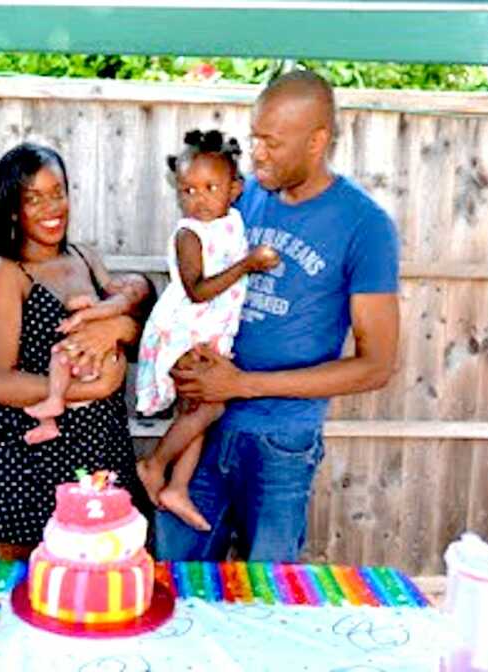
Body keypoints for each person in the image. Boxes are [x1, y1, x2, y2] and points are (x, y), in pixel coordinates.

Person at [155, 70, 401, 562]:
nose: (257, 153)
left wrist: (242, 385)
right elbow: (186, 283)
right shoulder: (241, 198)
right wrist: (122, 306)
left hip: (280, 444)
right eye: (254, 138)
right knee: (173, 575)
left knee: (267, 595)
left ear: (317, 141)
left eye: (271, 142)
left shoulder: (365, 226)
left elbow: (375, 366)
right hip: (202, 427)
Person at [0, 142, 153, 561]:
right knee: (28, 588)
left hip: (100, 448)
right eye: (34, 198)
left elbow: (129, 330)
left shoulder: (85, 257)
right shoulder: (5, 274)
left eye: (58, 192)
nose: (52, 207)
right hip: (29, 457)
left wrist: (122, 326)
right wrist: (92, 390)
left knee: (105, 581)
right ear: (12, 208)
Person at [134, 129, 279, 532]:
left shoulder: (231, 221)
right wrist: (247, 265)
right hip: (181, 330)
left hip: (208, 332)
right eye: (188, 190)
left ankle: (177, 487)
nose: (198, 199)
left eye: (210, 187)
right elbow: (197, 291)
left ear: (235, 189)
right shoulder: (189, 235)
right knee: (210, 405)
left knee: (198, 411)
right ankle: (154, 465)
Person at [23, 273, 151, 445]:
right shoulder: (97, 299)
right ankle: (49, 421)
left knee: (60, 356)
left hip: (95, 368)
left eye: (133, 291)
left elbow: (81, 308)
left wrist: (76, 316)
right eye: (123, 280)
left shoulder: (111, 309)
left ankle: (54, 403)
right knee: (61, 357)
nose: (125, 286)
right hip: (84, 375)